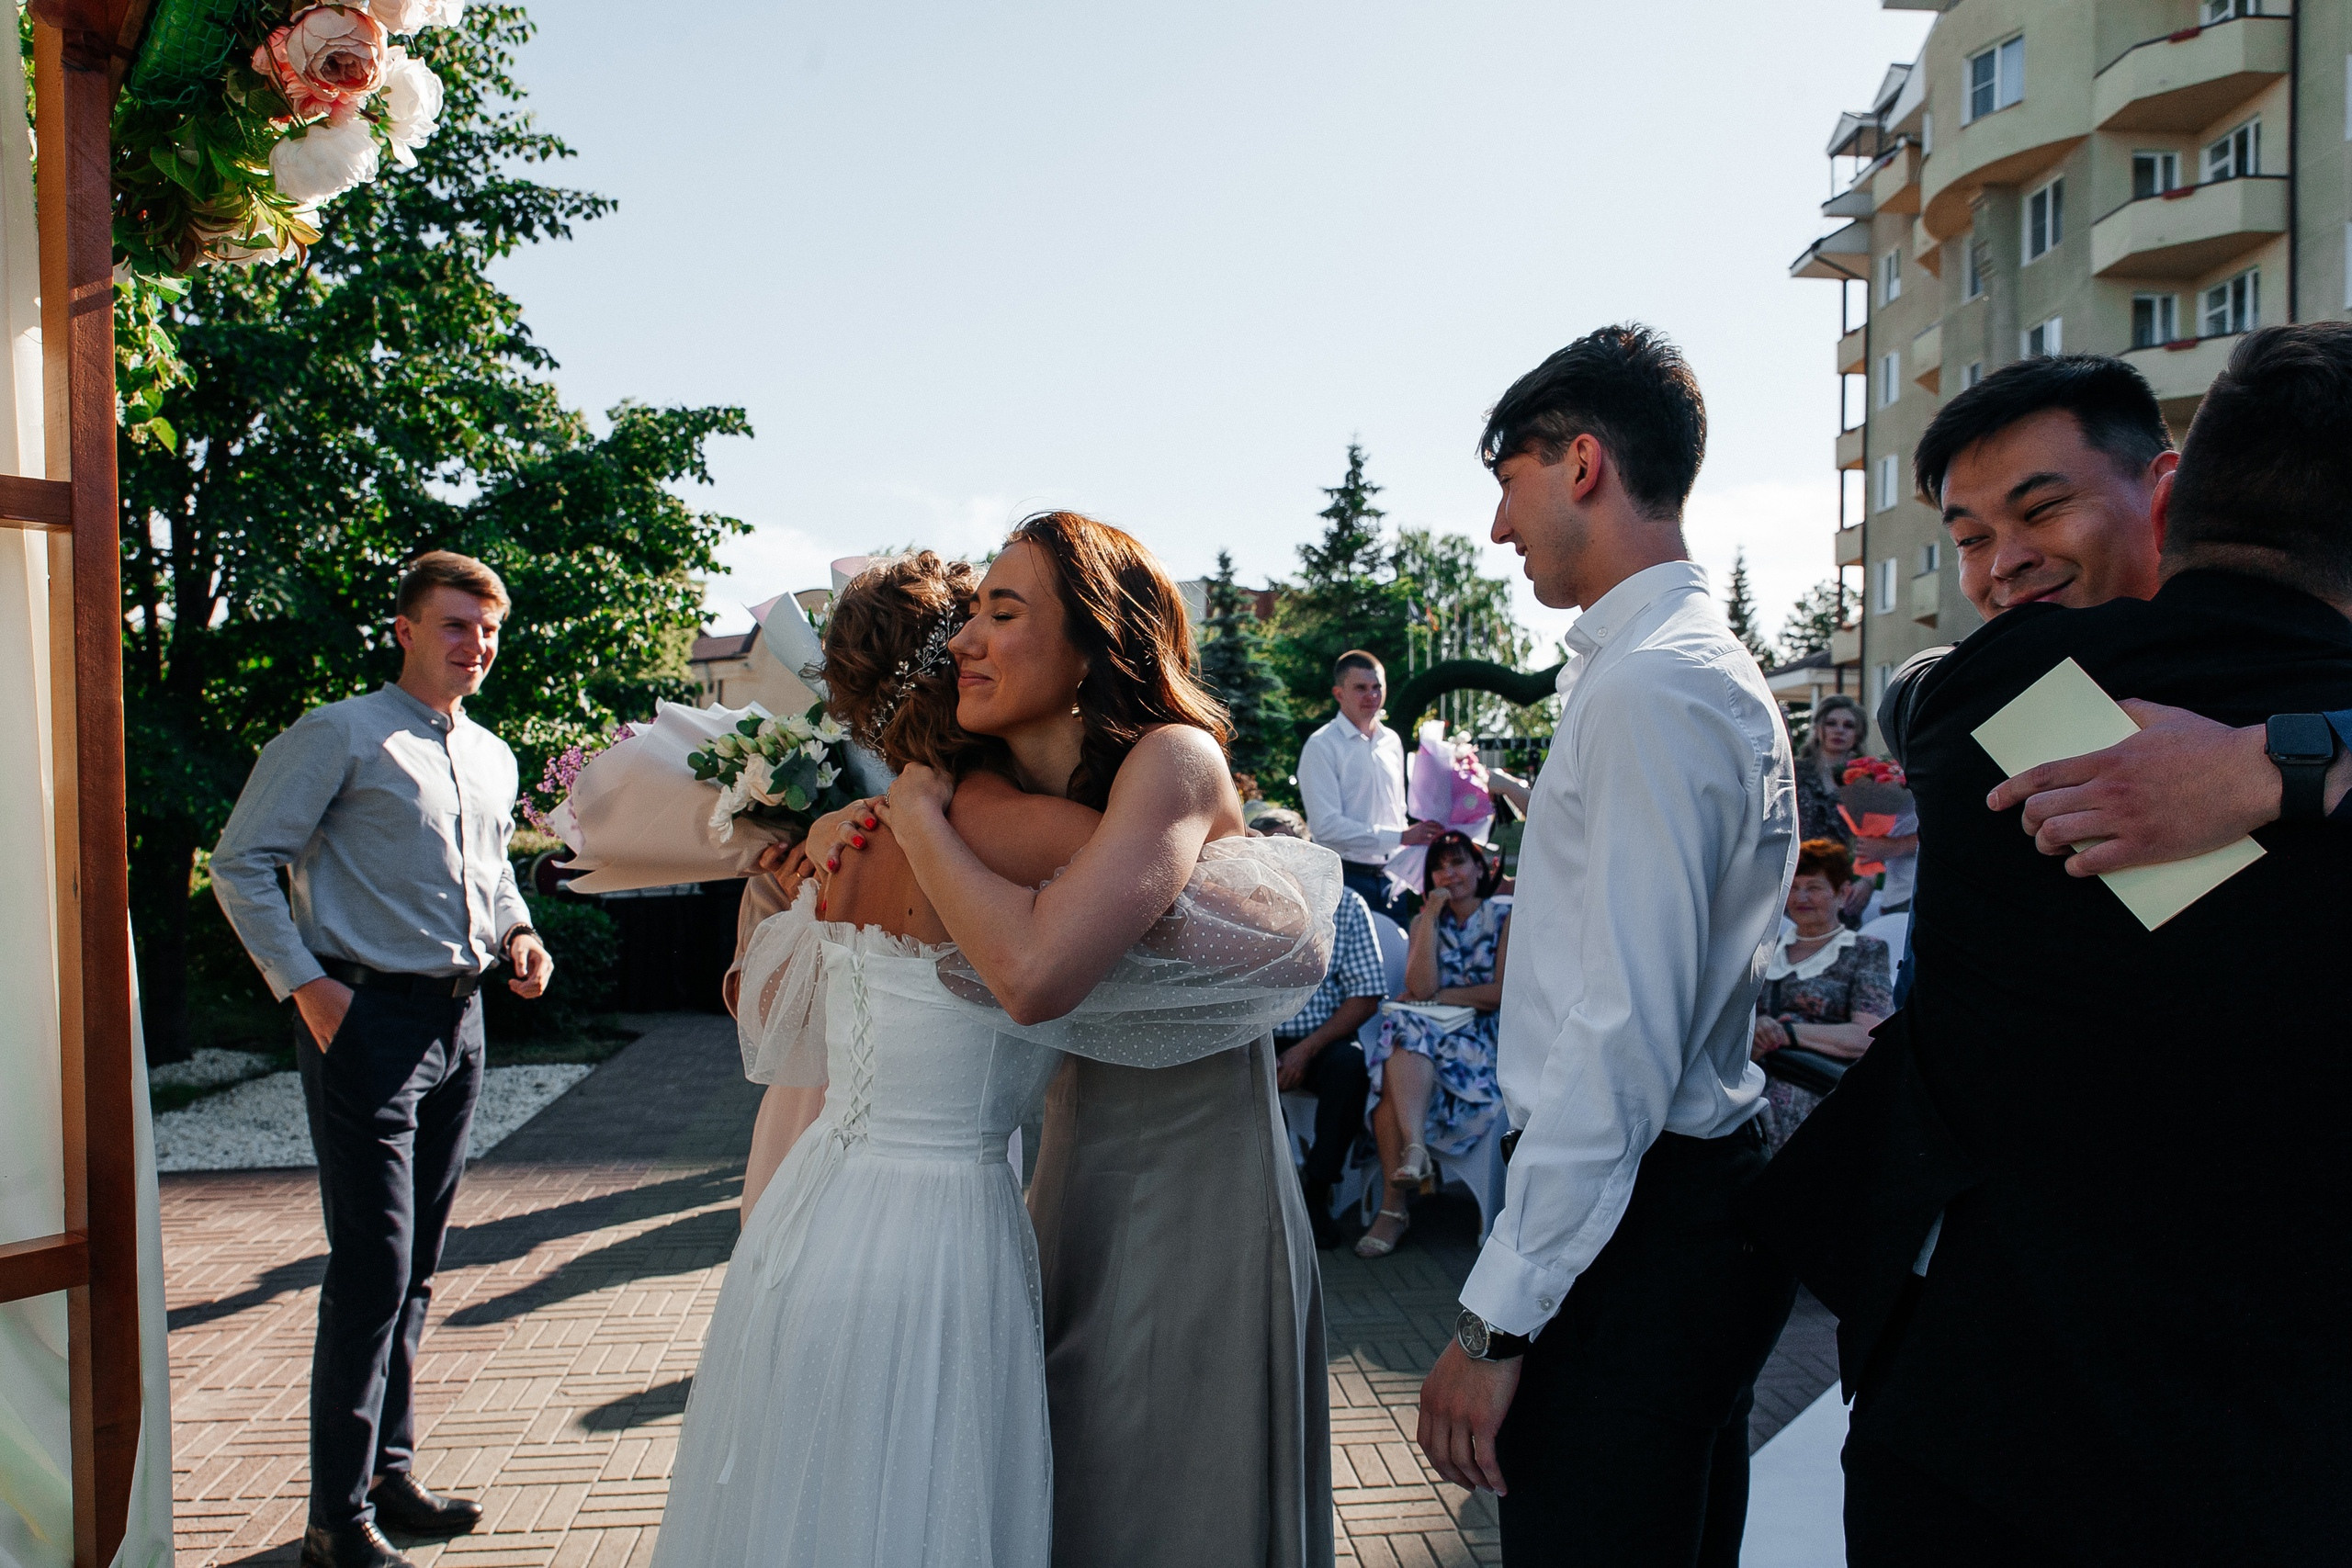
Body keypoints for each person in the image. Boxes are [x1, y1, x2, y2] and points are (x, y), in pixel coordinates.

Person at [1758, 323, 2352, 1562]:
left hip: (1993, 1423)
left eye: (2042, 511)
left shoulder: (2010, 694)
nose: (2003, 567)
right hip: (2243, 1447)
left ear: (2171, 488)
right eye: (1972, 536)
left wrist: (2275, 765)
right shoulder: (2001, 697)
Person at [655, 551, 1338, 1568]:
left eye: (1000, 617)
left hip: (821, 1216)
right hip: (958, 1221)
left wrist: (842, 847)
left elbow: (774, 1015)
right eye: (970, 623)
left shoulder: (904, 832)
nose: (977, 643)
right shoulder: (992, 823)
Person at [1411, 326, 1798, 1568]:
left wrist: (1494, 1324)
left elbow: (1617, 1036)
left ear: (1582, 462)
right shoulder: (1673, 672)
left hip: (1640, 1233)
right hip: (1678, 1204)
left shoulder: (1652, 687)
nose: (1495, 526)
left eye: (1506, 480)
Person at [209, 552, 556, 1568]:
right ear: (404, 629)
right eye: (455, 626)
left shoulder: (490, 755)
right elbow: (242, 864)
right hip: (364, 1024)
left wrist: (520, 934)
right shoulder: (338, 734)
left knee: (417, 1271)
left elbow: (490, 878)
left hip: (462, 1026)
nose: (475, 646)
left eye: (488, 630)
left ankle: (388, 1475)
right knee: (372, 1268)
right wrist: (310, 989)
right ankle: (335, 1522)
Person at [1356, 830, 1510, 1259]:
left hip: (1482, 1041)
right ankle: (1416, 1151)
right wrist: (1427, 919)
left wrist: (1439, 998)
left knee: (1393, 1073)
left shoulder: (1504, 918)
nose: (1450, 873)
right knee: (1405, 1033)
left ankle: (1394, 1209)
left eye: (1460, 862)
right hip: (1430, 1038)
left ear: (1481, 869)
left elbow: (1499, 994)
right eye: (1441, 866)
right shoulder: (1427, 921)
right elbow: (1418, 986)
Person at [1253, 806, 1387, 1252]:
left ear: (1310, 848)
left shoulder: (1345, 904)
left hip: (1319, 1039)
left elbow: (1367, 994)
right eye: (1270, 843)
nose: (1283, 853)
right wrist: (1260, 1048)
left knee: (1350, 1066)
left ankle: (1315, 1190)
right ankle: (1249, 1202)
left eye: (1291, 841)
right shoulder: (1243, 902)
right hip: (1255, 1038)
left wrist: (1304, 1051)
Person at [1748, 840, 1891, 1156]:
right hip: (1752, 1094)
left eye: (1813, 887)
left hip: (1819, 1095)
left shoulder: (1864, 952)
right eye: (1795, 887)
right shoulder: (1761, 952)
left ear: (1843, 893)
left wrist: (1786, 1034)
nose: (1800, 897)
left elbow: (1870, 1036)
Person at [1297, 649, 1442, 920]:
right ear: (1339, 693)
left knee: (1396, 962)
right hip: (1345, 878)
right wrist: (1400, 836)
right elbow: (1326, 827)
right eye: (1361, 688)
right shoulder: (1322, 746)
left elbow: (1397, 810)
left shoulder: (1392, 742)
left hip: (1392, 879)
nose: (1372, 696)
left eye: (1377, 687)